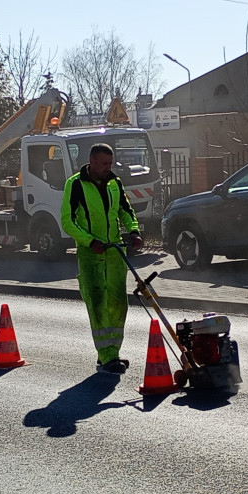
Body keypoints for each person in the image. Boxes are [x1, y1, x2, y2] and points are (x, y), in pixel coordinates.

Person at [61, 143, 145, 374]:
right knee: (98, 303)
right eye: (104, 164)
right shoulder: (75, 184)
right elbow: (68, 221)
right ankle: (107, 356)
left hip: (115, 251)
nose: (108, 167)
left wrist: (134, 231)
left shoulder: (115, 183)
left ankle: (113, 352)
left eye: (110, 163)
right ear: (91, 161)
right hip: (91, 253)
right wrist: (89, 241)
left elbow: (125, 210)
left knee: (118, 303)